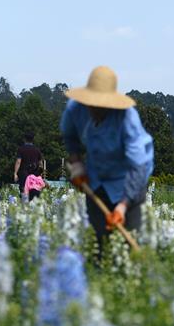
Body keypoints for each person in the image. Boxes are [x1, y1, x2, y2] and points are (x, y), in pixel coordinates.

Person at [61, 66, 154, 243]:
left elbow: (138, 165)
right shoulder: (75, 109)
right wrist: (77, 163)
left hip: (128, 180)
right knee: (99, 241)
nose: (95, 108)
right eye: (92, 103)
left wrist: (123, 206)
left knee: (128, 241)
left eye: (100, 104)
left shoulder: (127, 118)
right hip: (96, 180)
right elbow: (69, 136)